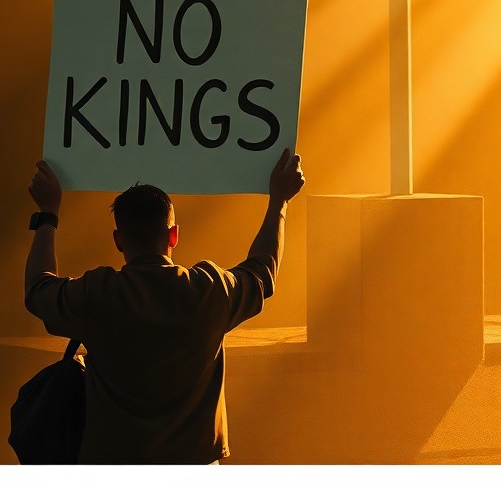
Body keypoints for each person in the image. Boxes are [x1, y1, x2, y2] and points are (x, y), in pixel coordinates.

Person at [23, 148, 305, 464]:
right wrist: (280, 201)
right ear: (173, 236)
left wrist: (48, 213)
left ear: (118, 240)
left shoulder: (97, 294)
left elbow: (38, 288)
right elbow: (263, 269)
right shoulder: (209, 290)